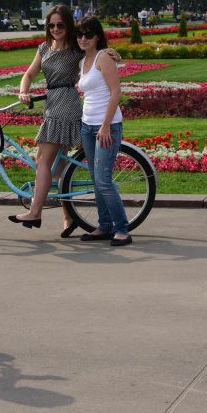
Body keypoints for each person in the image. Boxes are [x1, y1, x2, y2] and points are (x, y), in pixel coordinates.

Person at [10, 4, 82, 237]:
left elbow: (98, 51)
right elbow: (29, 74)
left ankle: (35, 212)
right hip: (52, 103)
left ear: (68, 25)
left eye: (60, 24)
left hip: (65, 103)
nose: (55, 28)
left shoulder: (75, 49)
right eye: (51, 25)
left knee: (42, 160)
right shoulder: (44, 48)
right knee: (58, 167)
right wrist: (23, 91)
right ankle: (69, 218)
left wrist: (113, 53)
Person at [74, 16, 131, 246]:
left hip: (106, 125)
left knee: (104, 179)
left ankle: (122, 229)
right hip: (88, 126)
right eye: (80, 34)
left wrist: (106, 125)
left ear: (98, 36)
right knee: (95, 180)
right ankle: (104, 225)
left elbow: (116, 92)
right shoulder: (82, 61)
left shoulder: (103, 58)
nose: (83, 38)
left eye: (88, 34)